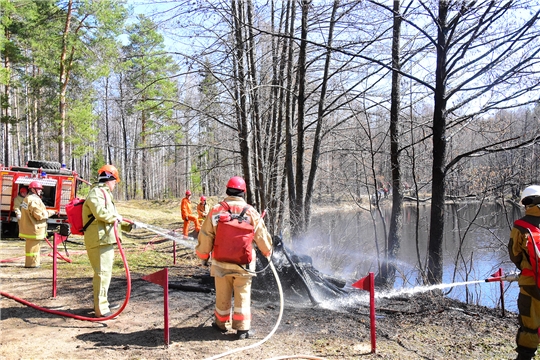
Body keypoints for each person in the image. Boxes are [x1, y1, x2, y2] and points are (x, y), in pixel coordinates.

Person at [196, 176, 272, 340]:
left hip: (220, 263)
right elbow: (261, 236)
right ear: (243, 192)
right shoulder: (251, 211)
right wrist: (268, 252)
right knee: (243, 294)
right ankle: (243, 329)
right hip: (243, 265)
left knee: (222, 295)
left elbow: (206, 235)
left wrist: (203, 256)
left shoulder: (216, 210)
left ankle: (220, 324)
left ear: (227, 190)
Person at [82, 164, 132, 318]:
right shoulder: (96, 193)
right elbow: (101, 214)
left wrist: (127, 225)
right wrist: (117, 218)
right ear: (109, 179)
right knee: (102, 274)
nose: (115, 184)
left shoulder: (104, 194)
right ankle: (101, 309)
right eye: (115, 181)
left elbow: (111, 218)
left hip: (104, 240)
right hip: (99, 241)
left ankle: (102, 302)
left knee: (105, 274)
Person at [509, 185, 540, 360]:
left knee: (529, 325)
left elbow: (514, 255)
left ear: (526, 204)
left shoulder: (521, 226)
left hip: (530, 285)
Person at [19, 181, 55, 268]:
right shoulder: (34, 200)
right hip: (34, 228)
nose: (40, 191)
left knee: (32, 247)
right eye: (38, 189)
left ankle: (32, 263)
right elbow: (39, 215)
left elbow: (26, 211)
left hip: (29, 227)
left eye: (40, 189)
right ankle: (32, 264)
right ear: (32, 189)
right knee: (33, 248)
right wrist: (51, 212)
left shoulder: (26, 198)